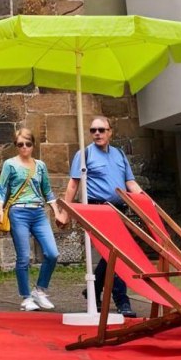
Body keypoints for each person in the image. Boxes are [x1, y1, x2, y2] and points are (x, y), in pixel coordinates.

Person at [60, 115, 142, 318]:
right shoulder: (84, 154)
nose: (97, 133)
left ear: (110, 131)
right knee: (116, 253)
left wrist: (145, 202)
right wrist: (65, 212)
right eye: (93, 130)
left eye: (101, 130)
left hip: (119, 209)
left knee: (112, 254)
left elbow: (130, 183)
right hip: (97, 210)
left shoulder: (119, 154)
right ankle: (122, 300)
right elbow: (73, 184)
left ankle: (93, 291)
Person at [0, 128, 64, 312]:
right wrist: (0, 209)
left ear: (33, 145)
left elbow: (47, 190)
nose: (24, 148)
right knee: (24, 257)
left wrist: (56, 211)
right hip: (18, 212)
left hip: (39, 212)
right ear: (16, 146)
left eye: (28, 144)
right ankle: (26, 297)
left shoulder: (40, 165)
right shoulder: (10, 164)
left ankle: (39, 290)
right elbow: (2, 188)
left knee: (52, 253)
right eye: (20, 145)